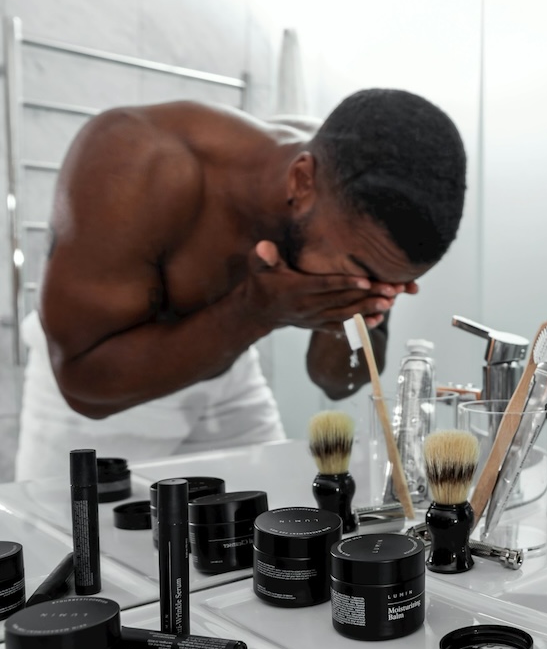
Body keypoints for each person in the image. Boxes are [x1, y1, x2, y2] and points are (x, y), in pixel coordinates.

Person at [17, 88, 467, 480]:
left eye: (389, 283)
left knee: (277, 539)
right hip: (108, 379)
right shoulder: (137, 159)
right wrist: (255, 311)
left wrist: (352, 312)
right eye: (363, 271)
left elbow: (335, 379)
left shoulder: (367, 211)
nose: (367, 285)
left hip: (227, 371)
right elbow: (83, 387)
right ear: (300, 182)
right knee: (75, 565)